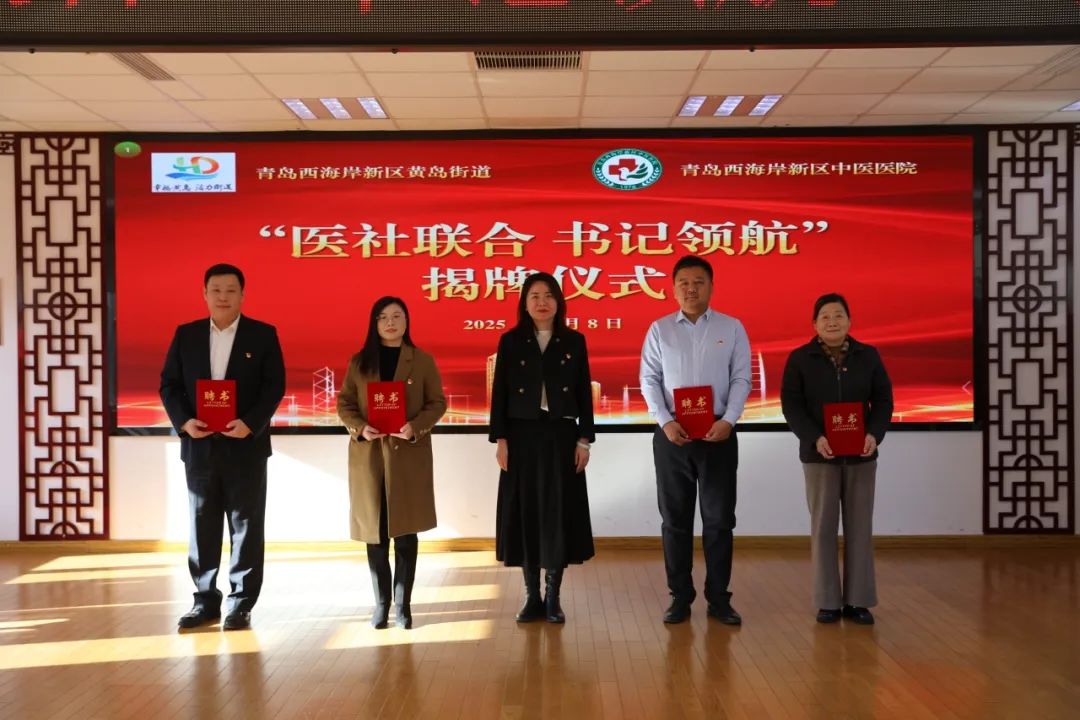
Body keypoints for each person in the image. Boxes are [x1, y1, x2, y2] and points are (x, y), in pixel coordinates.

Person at [160, 263, 285, 631]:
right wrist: (185, 422)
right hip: (200, 447)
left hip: (245, 446)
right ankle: (204, 601)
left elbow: (273, 386)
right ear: (204, 294)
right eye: (216, 290)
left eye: (231, 290)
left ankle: (241, 603)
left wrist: (250, 423)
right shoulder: (187, 335)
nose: (223, 296)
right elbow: (169, 385)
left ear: (242, 294)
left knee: (246, 526)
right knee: (202, 524)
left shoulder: (262, 335)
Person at [639, 255, 751, 626]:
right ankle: (679, 597)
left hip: (718, 434)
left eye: (699, 281)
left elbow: (741, 378)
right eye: (684, 282)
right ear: (673, 289)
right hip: (673, 437)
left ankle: (719, 598)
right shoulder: (659, 330)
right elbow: (649, 380)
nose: (691, 288)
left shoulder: (731, 327)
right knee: (675, 520)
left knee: (719, 520)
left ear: (711, 286)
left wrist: (729, 420)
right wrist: (666, 422)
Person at [780, 293, 893, 625]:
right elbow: (792, 406)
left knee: (860, 527)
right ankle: (827, 601)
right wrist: (815, 438)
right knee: (823, 527)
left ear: (850, 321)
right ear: (814, 324)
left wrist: (874, 434)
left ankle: (859, 601)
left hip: (861, 455)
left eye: (839, 315)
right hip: (820, 456)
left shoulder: (868, 356)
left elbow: (883, 400)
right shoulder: (800, 359)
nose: (832, 321)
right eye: (825, 316)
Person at [489, 272, 595, 624]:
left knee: (556, 513)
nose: (542, 302)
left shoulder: (574, 341)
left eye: (548, 295)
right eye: (534, 296)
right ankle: (532, 596)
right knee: (526, 514)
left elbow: (583, 393)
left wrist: (584, 439)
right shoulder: (511, 341)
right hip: (521, 437)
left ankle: (553, 597)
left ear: (559, 302)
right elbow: (500, 394)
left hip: (561, 435)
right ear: (524, 303)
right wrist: (501, 440)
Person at [337, 296, 446, 630]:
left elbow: (437, 402)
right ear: (374, 323)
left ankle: (404, 605)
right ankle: (381, 604)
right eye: (383, 317)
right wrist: (359, 427)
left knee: (406, 533)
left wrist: (415, 426)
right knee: (375, 534)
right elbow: (344, 402)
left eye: (397, 316)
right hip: (369, 456)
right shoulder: (360, 362)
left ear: (406, 321)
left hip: (407, 456)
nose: (390, 322)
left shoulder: (421, 360)